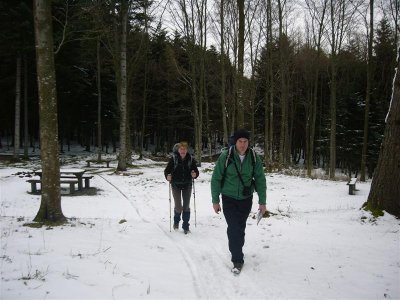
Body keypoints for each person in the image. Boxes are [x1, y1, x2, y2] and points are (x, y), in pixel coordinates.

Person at [211, 128, 267, 272]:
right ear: (235, 142)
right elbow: (216, 179)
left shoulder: (254, 158)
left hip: (246, 199)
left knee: (240, 227)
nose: (242, 144)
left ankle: (237, 249)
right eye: (240, 141)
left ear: (249, 142)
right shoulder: (226, 157)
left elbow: (260, 180)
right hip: (228, 198)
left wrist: (262, 202)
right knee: (234, 227)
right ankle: (237, 259)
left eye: (245, 141)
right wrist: (215, 200)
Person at [164, 141, 199, 234]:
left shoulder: (190, 159)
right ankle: (176, 222)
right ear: (178, 150)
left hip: (187, 185)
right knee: (179, 207)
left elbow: (196, 171)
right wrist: (168, 176)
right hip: (176, 185)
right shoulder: (174, 158)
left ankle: (186, 225)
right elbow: (167, 170)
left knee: (186, 206)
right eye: (181, 149)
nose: (183, 151)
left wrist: (195, 174)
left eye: (184, 149)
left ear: (187, 150)